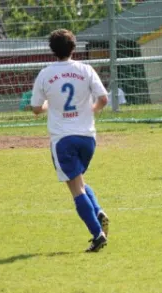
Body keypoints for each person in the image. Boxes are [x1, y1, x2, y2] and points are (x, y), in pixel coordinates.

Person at [30, 29, 110, 252]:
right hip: (87, 137)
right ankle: (98, 211)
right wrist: (91, 111)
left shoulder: (46, 74)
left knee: (75, 189)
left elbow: (36, 108)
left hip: (63, 139)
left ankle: (97, 234)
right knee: (79, 181)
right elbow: (103, 98)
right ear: (74, 48)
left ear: (52, 50)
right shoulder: (85, 69)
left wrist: (47, 106)